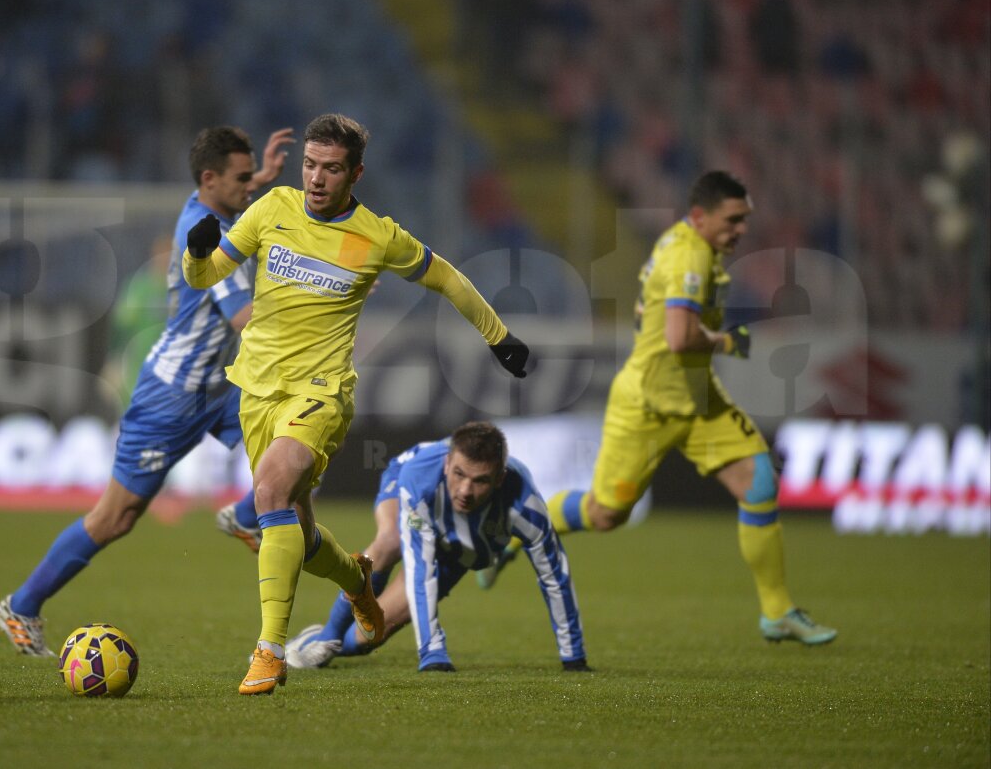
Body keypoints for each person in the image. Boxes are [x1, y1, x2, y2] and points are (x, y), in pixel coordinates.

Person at [183, 113, 531, 695]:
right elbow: (207, 276)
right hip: (256, 390)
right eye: (310, 165)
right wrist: (198, 255)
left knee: (269, 492)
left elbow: (444, 277)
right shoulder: (271, 210)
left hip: (320, 393)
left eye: (332, 168)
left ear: (355, 173)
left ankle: (268, 651)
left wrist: (499, 336)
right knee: (297, 529)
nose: (317, 178)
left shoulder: (376, 236)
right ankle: (358, 584)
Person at [0, 125, 294, 656]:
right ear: (209, 179)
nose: (252, 187)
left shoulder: (208, 205)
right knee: (115, 518)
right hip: (172, 398)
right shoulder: (208, 233)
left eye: (253, 177)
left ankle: (245, 515)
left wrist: (260, 180)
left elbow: (236, 205)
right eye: (243, 179)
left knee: (298, 447)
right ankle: (22, 604)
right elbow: (245, 318)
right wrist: (318, 298)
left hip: (220, 387)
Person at [498, 171, 836, 645]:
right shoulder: (688, 258)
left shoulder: (693, 244)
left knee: (759, 483)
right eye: (733, 220)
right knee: (604, 514)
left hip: (699, 401)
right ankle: (516, 528)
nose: (740, 230)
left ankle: (776, 611)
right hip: (648, 407)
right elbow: (679, 339)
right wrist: (728, 339)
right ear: (700, 217)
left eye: (745, 220)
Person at [284, 422, 589, 673]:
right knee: (391, 540)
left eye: (480, 480)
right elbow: (420, 567)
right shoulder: (421, 478)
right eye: (459, 474)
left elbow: (553, 577)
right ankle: (328, 636)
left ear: (500, 479)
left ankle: (325, 639)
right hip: (408, 489)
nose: (466, 490)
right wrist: (432, 650)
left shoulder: (526, 506)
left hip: (458, 545)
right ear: (447, 464)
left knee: (370, 636)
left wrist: (573, 656)